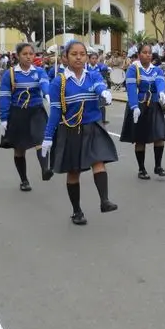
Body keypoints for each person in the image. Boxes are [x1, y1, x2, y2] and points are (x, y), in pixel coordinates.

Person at [41, 40, 119, 226]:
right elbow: (55, 113)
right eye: (74, 54)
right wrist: (48, 137)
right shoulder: (58, 82)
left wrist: (105, 93)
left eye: (82, 54)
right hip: (70, 130)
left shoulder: (93, 76)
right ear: (65, 57)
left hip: (92, 127)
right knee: (74, 172)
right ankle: (76, 211)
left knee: (99, 161)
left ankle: (104, 201)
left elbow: (100, 86)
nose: (78, 57)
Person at [0, 43, 54, 191]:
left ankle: (44, 169)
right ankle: (24, 180)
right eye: (25, 54)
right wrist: (4, 119)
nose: (29, 56)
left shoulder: (39, 71)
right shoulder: (9, 74)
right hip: (18, 113)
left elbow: (44, 83)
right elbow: (4, 97)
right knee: (19, 148)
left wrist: (47, 93)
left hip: (36, 111)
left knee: (41, 139)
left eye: (31, 54)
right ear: (18, 56)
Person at [120, 44, 165, 180]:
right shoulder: (133, 69)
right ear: (139, 54)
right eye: (145, 52)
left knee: (159, 136)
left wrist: (161, 92)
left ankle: (158, 166)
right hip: (139, 106)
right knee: (140, 139)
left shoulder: (157, 70)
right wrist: (134, 106)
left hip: (154, 105)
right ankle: (141, 168)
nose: (148, 55)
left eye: (150, 53)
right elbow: (131, 88)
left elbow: (160, 82)